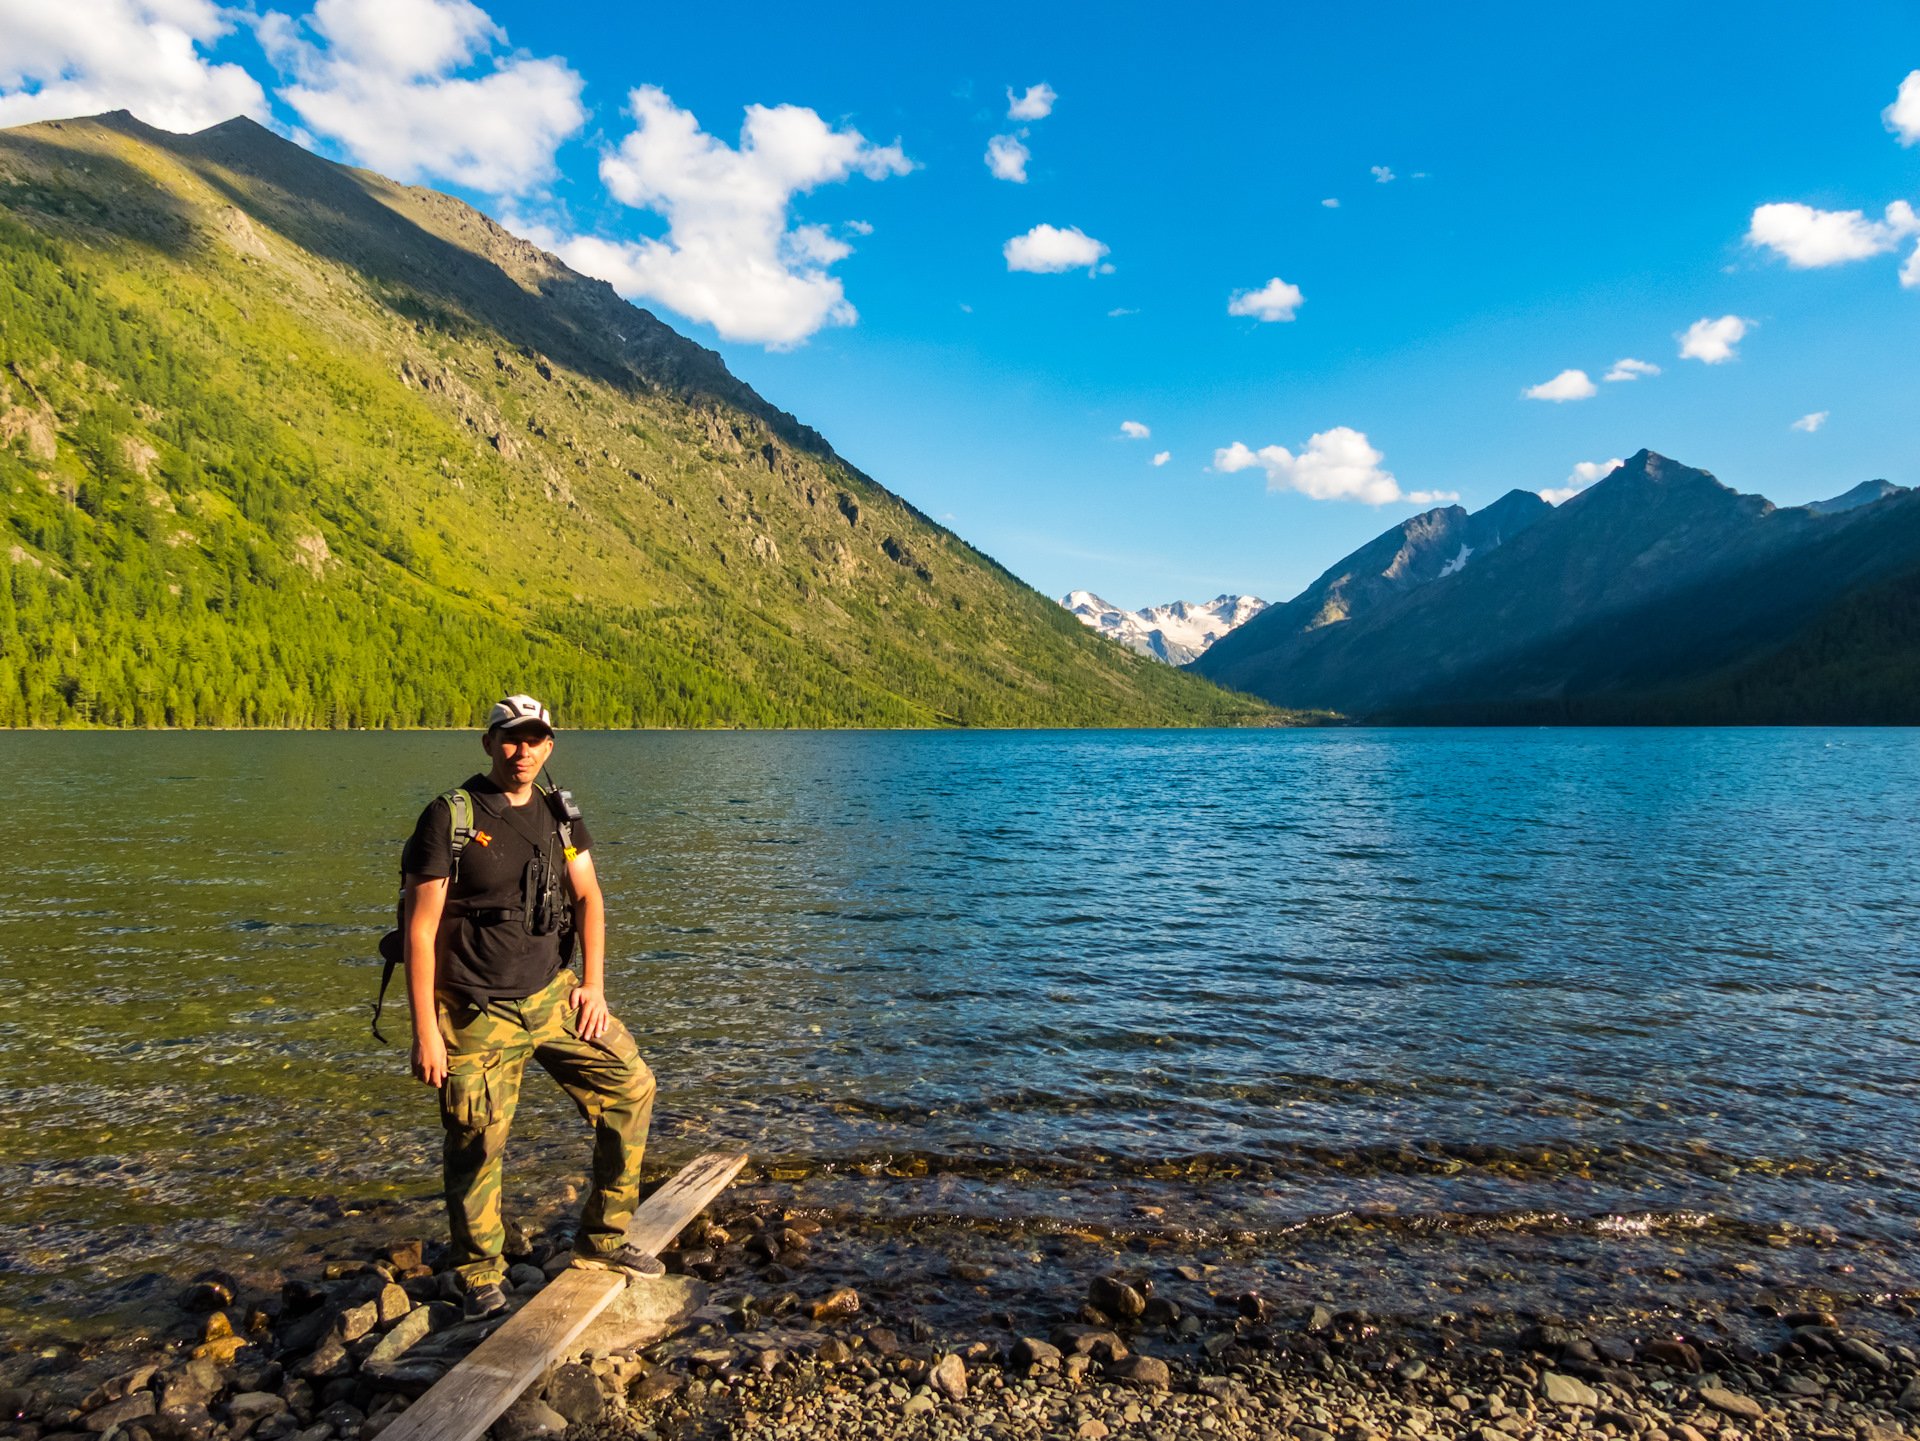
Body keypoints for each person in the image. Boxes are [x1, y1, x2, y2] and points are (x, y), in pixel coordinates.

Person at [401, 693, 660, 1319]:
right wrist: (426, 1033)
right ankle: (478, 1270)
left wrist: (593, 986)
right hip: (474, 1009)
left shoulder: (560, 814)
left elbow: (589, 896)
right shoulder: (452, 816)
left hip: (552, 995)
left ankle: (602, 1239)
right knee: (477, 1138)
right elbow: (419, 928)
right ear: (489, 744)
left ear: (551, 745)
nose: (524, 751)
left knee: (631, 1086)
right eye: (511, 738)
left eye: (536, 739)